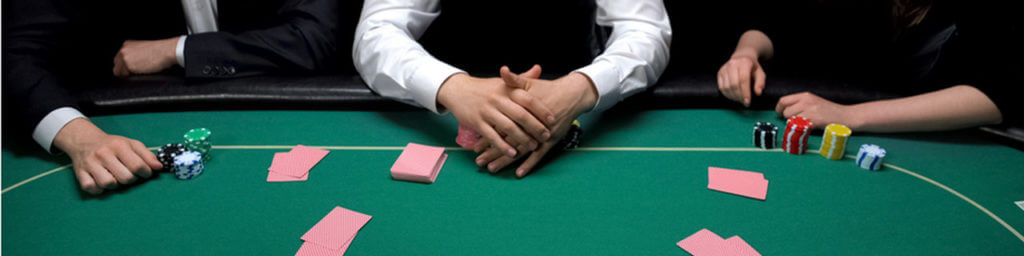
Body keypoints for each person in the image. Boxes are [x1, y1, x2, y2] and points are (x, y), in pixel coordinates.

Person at [3, 0, 340, 194]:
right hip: (118, 111)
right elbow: (13, 55)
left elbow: (311, 39)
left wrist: (178, 49)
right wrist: (79, 136)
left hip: (273, 112)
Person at [353, 0, 672, 177]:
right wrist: (453, 86)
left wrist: (582, 88)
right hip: (457, 101)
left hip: (569, 98)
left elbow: (646, 30)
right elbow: (376, 32)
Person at [716, 0, 1021, 132]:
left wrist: (848, 115)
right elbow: (783, 23)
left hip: (953, 144)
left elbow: (996, 95)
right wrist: (747, 51)